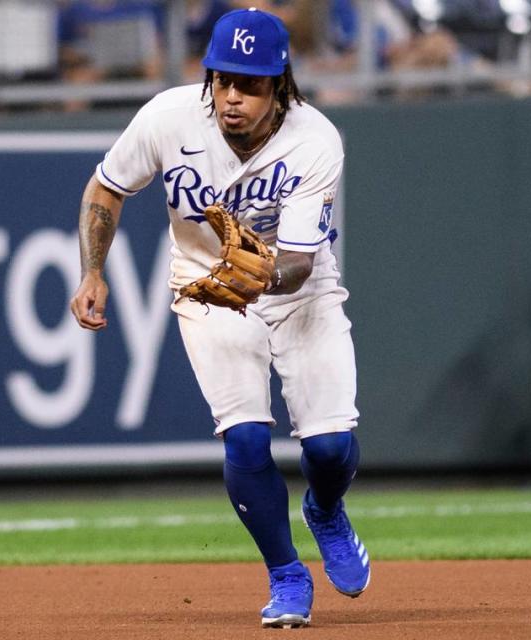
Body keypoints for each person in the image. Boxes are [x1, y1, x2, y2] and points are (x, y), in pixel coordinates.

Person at [69, 7, 368, 629]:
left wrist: (262, 277)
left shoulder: (316, 141)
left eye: (250, 84)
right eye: (223, 79)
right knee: (247, 435)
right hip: (208, 288)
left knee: (332, 448)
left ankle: (326, 509)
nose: (232, 97)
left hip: (297, 291)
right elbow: (106, 189)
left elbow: (297, 264)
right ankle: (287, 574)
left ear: (280, 84)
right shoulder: (169, 116)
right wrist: (92, 271)